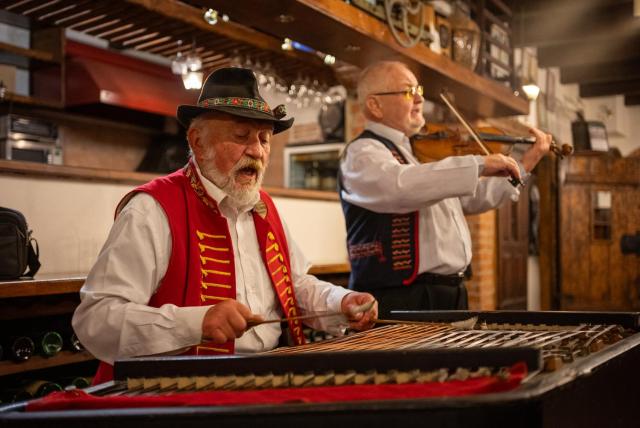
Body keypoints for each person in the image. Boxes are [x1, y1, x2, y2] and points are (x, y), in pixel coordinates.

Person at [72, 67, 377, 384]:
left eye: (263, 139)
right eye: (241, 136)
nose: (257, 151)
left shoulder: (265, 207)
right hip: (176, 392)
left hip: (266, 380)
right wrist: (196, 322)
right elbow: (96, 320)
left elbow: (295, 286)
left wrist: (339, 302)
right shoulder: (151, 209)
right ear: (198, 142)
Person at [339, 60, 551, 316]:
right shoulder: (362, 152)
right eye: (408, 92)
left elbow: (473, 199)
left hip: (450, 293)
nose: (419, 99)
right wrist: (479, 163)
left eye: (419, 90)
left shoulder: (417, 156)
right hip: (403, 297)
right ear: (375, 105)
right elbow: (401, 186)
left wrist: (526, 162)